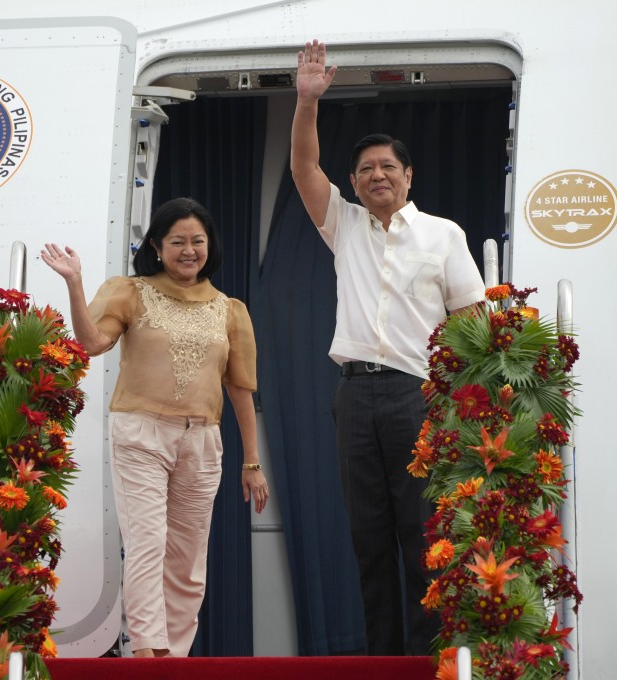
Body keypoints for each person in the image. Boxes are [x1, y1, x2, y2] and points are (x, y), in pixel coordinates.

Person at [290, 40, 485, 655]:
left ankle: (430, 656)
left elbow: (471, 319)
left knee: (421, 529)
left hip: (416, 395)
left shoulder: (442, 234)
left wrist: (462, 403)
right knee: (367, 533)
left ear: (408, 176)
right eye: (366, 169)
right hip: (355, 395)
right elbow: (302, 168)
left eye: (388, 167)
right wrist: (306, 101)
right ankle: (382, 659)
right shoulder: (343, 224)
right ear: (353, 181)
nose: (378, 175)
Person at [41, 197, 268, 658]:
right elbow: (91, 344)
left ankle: (175, 657)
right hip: (140, 432)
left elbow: (242, 390)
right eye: (178, 241)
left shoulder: (231, 310)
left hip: (203, 439)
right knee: (147, 542)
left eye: (197, 241)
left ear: (210, 246)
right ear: (157, 246)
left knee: (188, 559)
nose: (189, 250)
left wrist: (252, 461)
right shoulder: (130, 291)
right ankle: (147, 654)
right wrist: (75, 283)